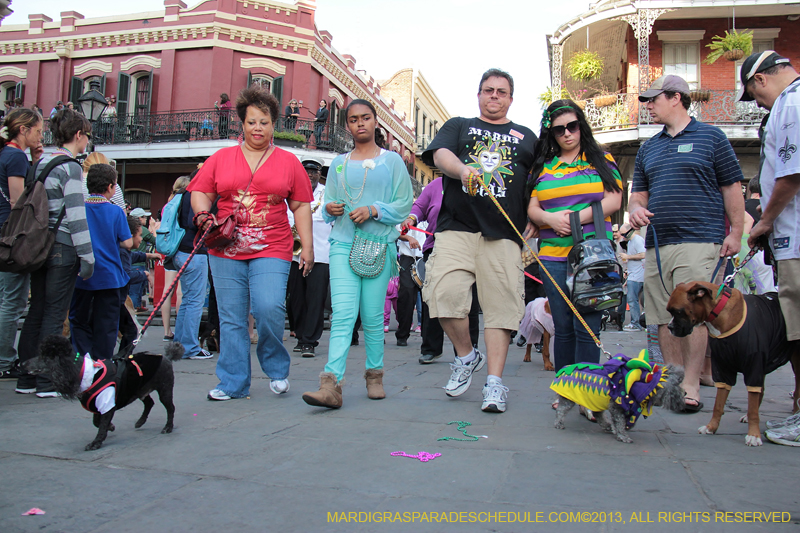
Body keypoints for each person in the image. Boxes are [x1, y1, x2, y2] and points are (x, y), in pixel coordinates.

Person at [421, 68, 537, 413]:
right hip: (457, 226)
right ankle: (467, 355)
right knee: (441, 294)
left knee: (501, 308)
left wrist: (536, 214)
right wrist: (463, 171)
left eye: (502, 92)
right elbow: (440, 155)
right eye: (489, 90)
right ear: (479, 95)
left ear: (511, 98)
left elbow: (539, 180)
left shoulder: (528, 136)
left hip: (504, 232)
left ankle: (495, 384)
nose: (495, 96)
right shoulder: (458, 125)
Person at [190, 84, 314, 401]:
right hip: (224, 248)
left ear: (274, 124)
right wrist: (203, 214)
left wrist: (308, 247)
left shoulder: (289, 162)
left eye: (264, 122)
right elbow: (200, 191)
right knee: (231, 317)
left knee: (268, 306)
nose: (257, 128)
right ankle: (233, 382)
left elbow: (300, 205)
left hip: (272, 247)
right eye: (251, 121)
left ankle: (275, 368)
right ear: (242, 124)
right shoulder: (220, 158)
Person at [628, 74, 744, 413]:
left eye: (654, 99)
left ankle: (692, 384)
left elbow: (731, 187)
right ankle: (674, 381)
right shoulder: (649, 146)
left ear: (676, 97)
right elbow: (638, 194)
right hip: (657, 244)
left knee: (694, 314)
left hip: (700, 239)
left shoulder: (712, 136)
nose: (648, 106)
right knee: (663, 316)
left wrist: (735, 232)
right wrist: (635, 210)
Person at [302, 99, 413, 409]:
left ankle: (374, 374)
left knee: (374, 317)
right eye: (353, 119)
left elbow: (404, 204)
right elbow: (330, 205)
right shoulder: (338, 163)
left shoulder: (392, 162)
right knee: (343, 315)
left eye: (365, 118)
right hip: (342, 244)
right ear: (347, 125)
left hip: (378, 246)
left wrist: (374, 210)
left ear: (375, 122)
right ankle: (331, 383)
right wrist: (329, 207)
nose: (359, 123)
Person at [528, 100, 623, 385]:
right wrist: (548, 218)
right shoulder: (543, 168)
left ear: (581, 126)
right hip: (553, 257)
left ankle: (588, 389)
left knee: (589, 325)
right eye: (559, 130)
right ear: (551, 134)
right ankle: (566, 389)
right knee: (563, 326)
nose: (567, 133)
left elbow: (615, 200)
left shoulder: (601, 160)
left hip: (593, 256)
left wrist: (571, 220)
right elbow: (532, 209)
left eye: (572, 126)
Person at [15, 109, 94, 397]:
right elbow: (76, 215)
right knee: (54, 313)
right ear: (78, 135)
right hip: (62, 247)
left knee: (35, 311)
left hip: (39, 245)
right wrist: (87, 256)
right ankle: (47, 381)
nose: (87, 142)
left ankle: (26, 375)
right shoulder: (70, 167)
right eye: (86, 136)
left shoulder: (41, 164)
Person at [403, 177, 480, 364]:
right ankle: (431, 348)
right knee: (432, 298)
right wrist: (411, 218)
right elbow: (419, 207)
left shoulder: (477, 182)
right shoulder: (435, 185)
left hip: (470, 248)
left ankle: (469, 350)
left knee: (468, 301)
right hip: (436, 247)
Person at [71, 164, 133, 360]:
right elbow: (128, 242)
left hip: (82, 275)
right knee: (107, 324)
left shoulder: (79, 209)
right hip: (110, 277)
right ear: (110, 187)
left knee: (79, 320)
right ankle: (102, 365)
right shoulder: (115, 212)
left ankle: (83, 359)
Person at [0, 108, 44, 380]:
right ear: (23, 130)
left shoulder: (7, 154)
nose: (40, 136)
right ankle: (5, 359)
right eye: (38, 131)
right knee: (13, 302)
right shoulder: (15, 156)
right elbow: (19, 201)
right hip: (10, 237)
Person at [286, 157, 332, 358]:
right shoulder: (291, 192)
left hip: (321, 254)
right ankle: (300, 335)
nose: (310, 175)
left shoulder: (327, 194)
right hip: (293, 255)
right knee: (295, 300)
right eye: (306, 171)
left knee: (315, 299)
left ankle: (309, 341)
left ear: (319, 174)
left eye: (314, 172)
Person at [173, 170, 211, 360]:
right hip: (195, 251)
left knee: (188, 300)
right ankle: (189, 346)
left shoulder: (183, 193)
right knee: (195, 302)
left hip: (182, 249)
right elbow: (194, 221)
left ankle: (179, 343)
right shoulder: (198, 194)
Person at [118, 215, 160, 353]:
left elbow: (133, 256)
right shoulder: (122, 252)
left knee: (128, 330)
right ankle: (122, 359)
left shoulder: (121, 250)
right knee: (130, 331)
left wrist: (148, 256)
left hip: (116, 299)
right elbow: (126, 275)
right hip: (116, 300)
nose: (141, 239)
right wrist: (145, 275)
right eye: (140, 235)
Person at [159, 176, 190, 341]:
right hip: (183, 247)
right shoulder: (184, 202)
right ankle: (180, 330)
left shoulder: (167, 205)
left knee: (167, 290)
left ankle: (166, 330)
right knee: (181, 291)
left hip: (169, 248)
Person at [394, 219, 424, 346]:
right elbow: (394, 232)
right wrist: (408, 238)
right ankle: (402, 334)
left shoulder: (430, 214)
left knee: (427, 299)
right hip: (407, 258)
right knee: (406, 296)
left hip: (425, 256)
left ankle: (428, 337)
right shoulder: (402, 215)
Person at [619, 223, 645, 330]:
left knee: (632, 300)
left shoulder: (637, 240)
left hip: (637, 276)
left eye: (624, 234)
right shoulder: (630, 242)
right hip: (633, 274)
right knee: (637, 300)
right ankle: (638, 322)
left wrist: (628, 256)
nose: (623, 236)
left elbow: (643, 254)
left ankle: (636, 323)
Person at [129, 207, 154, 311]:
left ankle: (138, 306)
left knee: (136, 290)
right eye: (144, 217)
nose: (146, 219)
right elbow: (155, 240)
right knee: (136, 290)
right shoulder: (142, 229)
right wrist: (153, 229)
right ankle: (134, 310)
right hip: (138, 263)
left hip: (132, 262)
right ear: (139, 218)